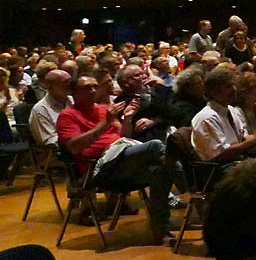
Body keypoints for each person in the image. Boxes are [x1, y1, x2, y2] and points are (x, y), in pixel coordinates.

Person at [56, 74, 173, 242]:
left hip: (122, 159)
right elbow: (74, 147)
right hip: (98, 170)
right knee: (155, 146)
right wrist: (106, 122)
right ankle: (192, 184)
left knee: (160, 171)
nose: (93, 90)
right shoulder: (67, 115)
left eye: (95, 86)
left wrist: (128, 118)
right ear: (73, 93)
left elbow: (124, 136)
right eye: (87, 88)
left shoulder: (104, 109)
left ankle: (161, 230)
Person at [190, 66, 256, 164]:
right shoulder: (206, 118)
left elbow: (243, 139)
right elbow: (220, 154)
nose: (234, 89)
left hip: (240, 161)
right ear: (212, 92)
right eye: (228, 87)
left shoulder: (232, 110)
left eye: (233, 85)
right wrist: (254, 139)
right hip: (222, 168)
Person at [29, 68, 70, 146]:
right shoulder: (40, 109)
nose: (69, 85)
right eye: (64, 82)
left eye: (70, 81)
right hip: (61, 153)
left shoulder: (73, 100)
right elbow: (50, 141)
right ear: (49, 86)